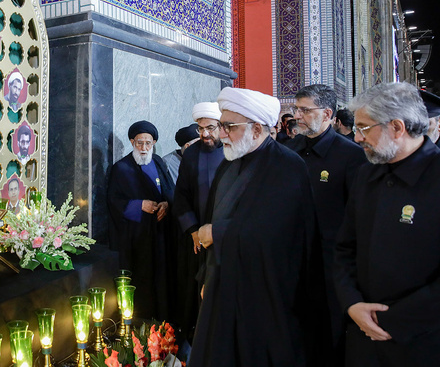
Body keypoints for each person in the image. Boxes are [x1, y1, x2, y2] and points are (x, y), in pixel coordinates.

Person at [188, 87, 329, 367]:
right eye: (222, 126)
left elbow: (281, 233)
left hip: (267, 295)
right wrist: (206, 275)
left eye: (229, 126)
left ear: (255, 129)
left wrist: (219, 233)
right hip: (222, 285)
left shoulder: (288, 166)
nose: (222, 134)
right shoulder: (229, 165)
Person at [335, 82, 440, 367]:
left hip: (422, 341)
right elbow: (344, 248)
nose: (357, 138)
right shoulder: (366, 175)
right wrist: (352, 304)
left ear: (397, 127)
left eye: (364, 129)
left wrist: (391, 320)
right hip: (362, 335)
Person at [286, 84, 367, 365]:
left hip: (331, 266)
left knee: (330, 339)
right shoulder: (288, 151)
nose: (298, 115)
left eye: (305, 110)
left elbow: (358, 217)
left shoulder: (351, 156)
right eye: (296, 109)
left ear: (327, 113)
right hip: (292, 262)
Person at [106, 120, 174, 321]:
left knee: (162, 280)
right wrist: (139, 205)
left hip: (160, 235)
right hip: (136, 238)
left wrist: (166, 204)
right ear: (131, 142)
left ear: (153, 143)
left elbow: (170, 191)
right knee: (142, 281)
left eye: (148, 143)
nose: (144, 148)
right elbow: (113, 201)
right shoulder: (122, 168)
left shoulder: (159, 162)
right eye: (139, 143)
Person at [171, 102, 224, 342]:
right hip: (196, 240)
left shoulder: (234, 151)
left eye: (210, 128)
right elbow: (180, 195)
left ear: (221, 126)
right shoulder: (192, 153)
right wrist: (193, 230)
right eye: (200, 128)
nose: (205, 134)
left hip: (226, 237)